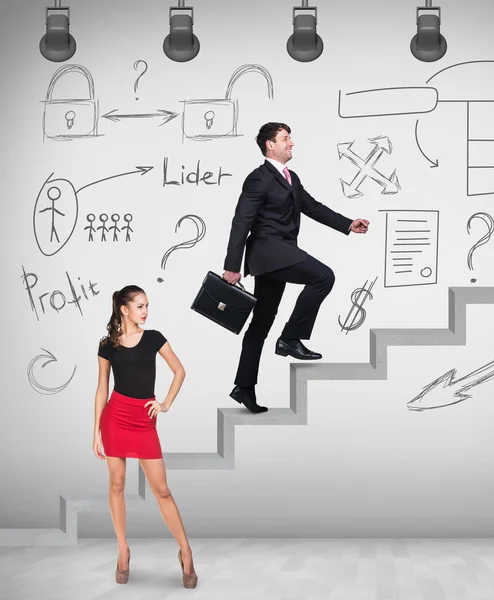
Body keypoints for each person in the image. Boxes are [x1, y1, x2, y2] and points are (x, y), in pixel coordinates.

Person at [222, 122, 370, 413]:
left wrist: (347, 224)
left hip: (280, 254)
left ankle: (244, 387)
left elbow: (311, 207)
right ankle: (290, 338)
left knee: (261, 323)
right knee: (323, 276)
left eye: (290, 138)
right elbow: (241, 221)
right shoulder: (258, 178)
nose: (291, 143)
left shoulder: (291, 178)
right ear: (270, 145)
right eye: (286, 139)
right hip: (269, 252)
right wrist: (232, 266)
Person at [92, 285, 198, 589]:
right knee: (117, 484)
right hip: (115, 418)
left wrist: (164, 404)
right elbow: (101, 389)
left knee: (162, 490)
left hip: (143, 420)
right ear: (124, 309)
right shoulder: (107, 345)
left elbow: (179, 371)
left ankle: (186, 552)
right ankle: (123, 550)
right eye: (140, 306)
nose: (146, 311)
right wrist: (96, 432)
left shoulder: (153, 338)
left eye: (147, 305)